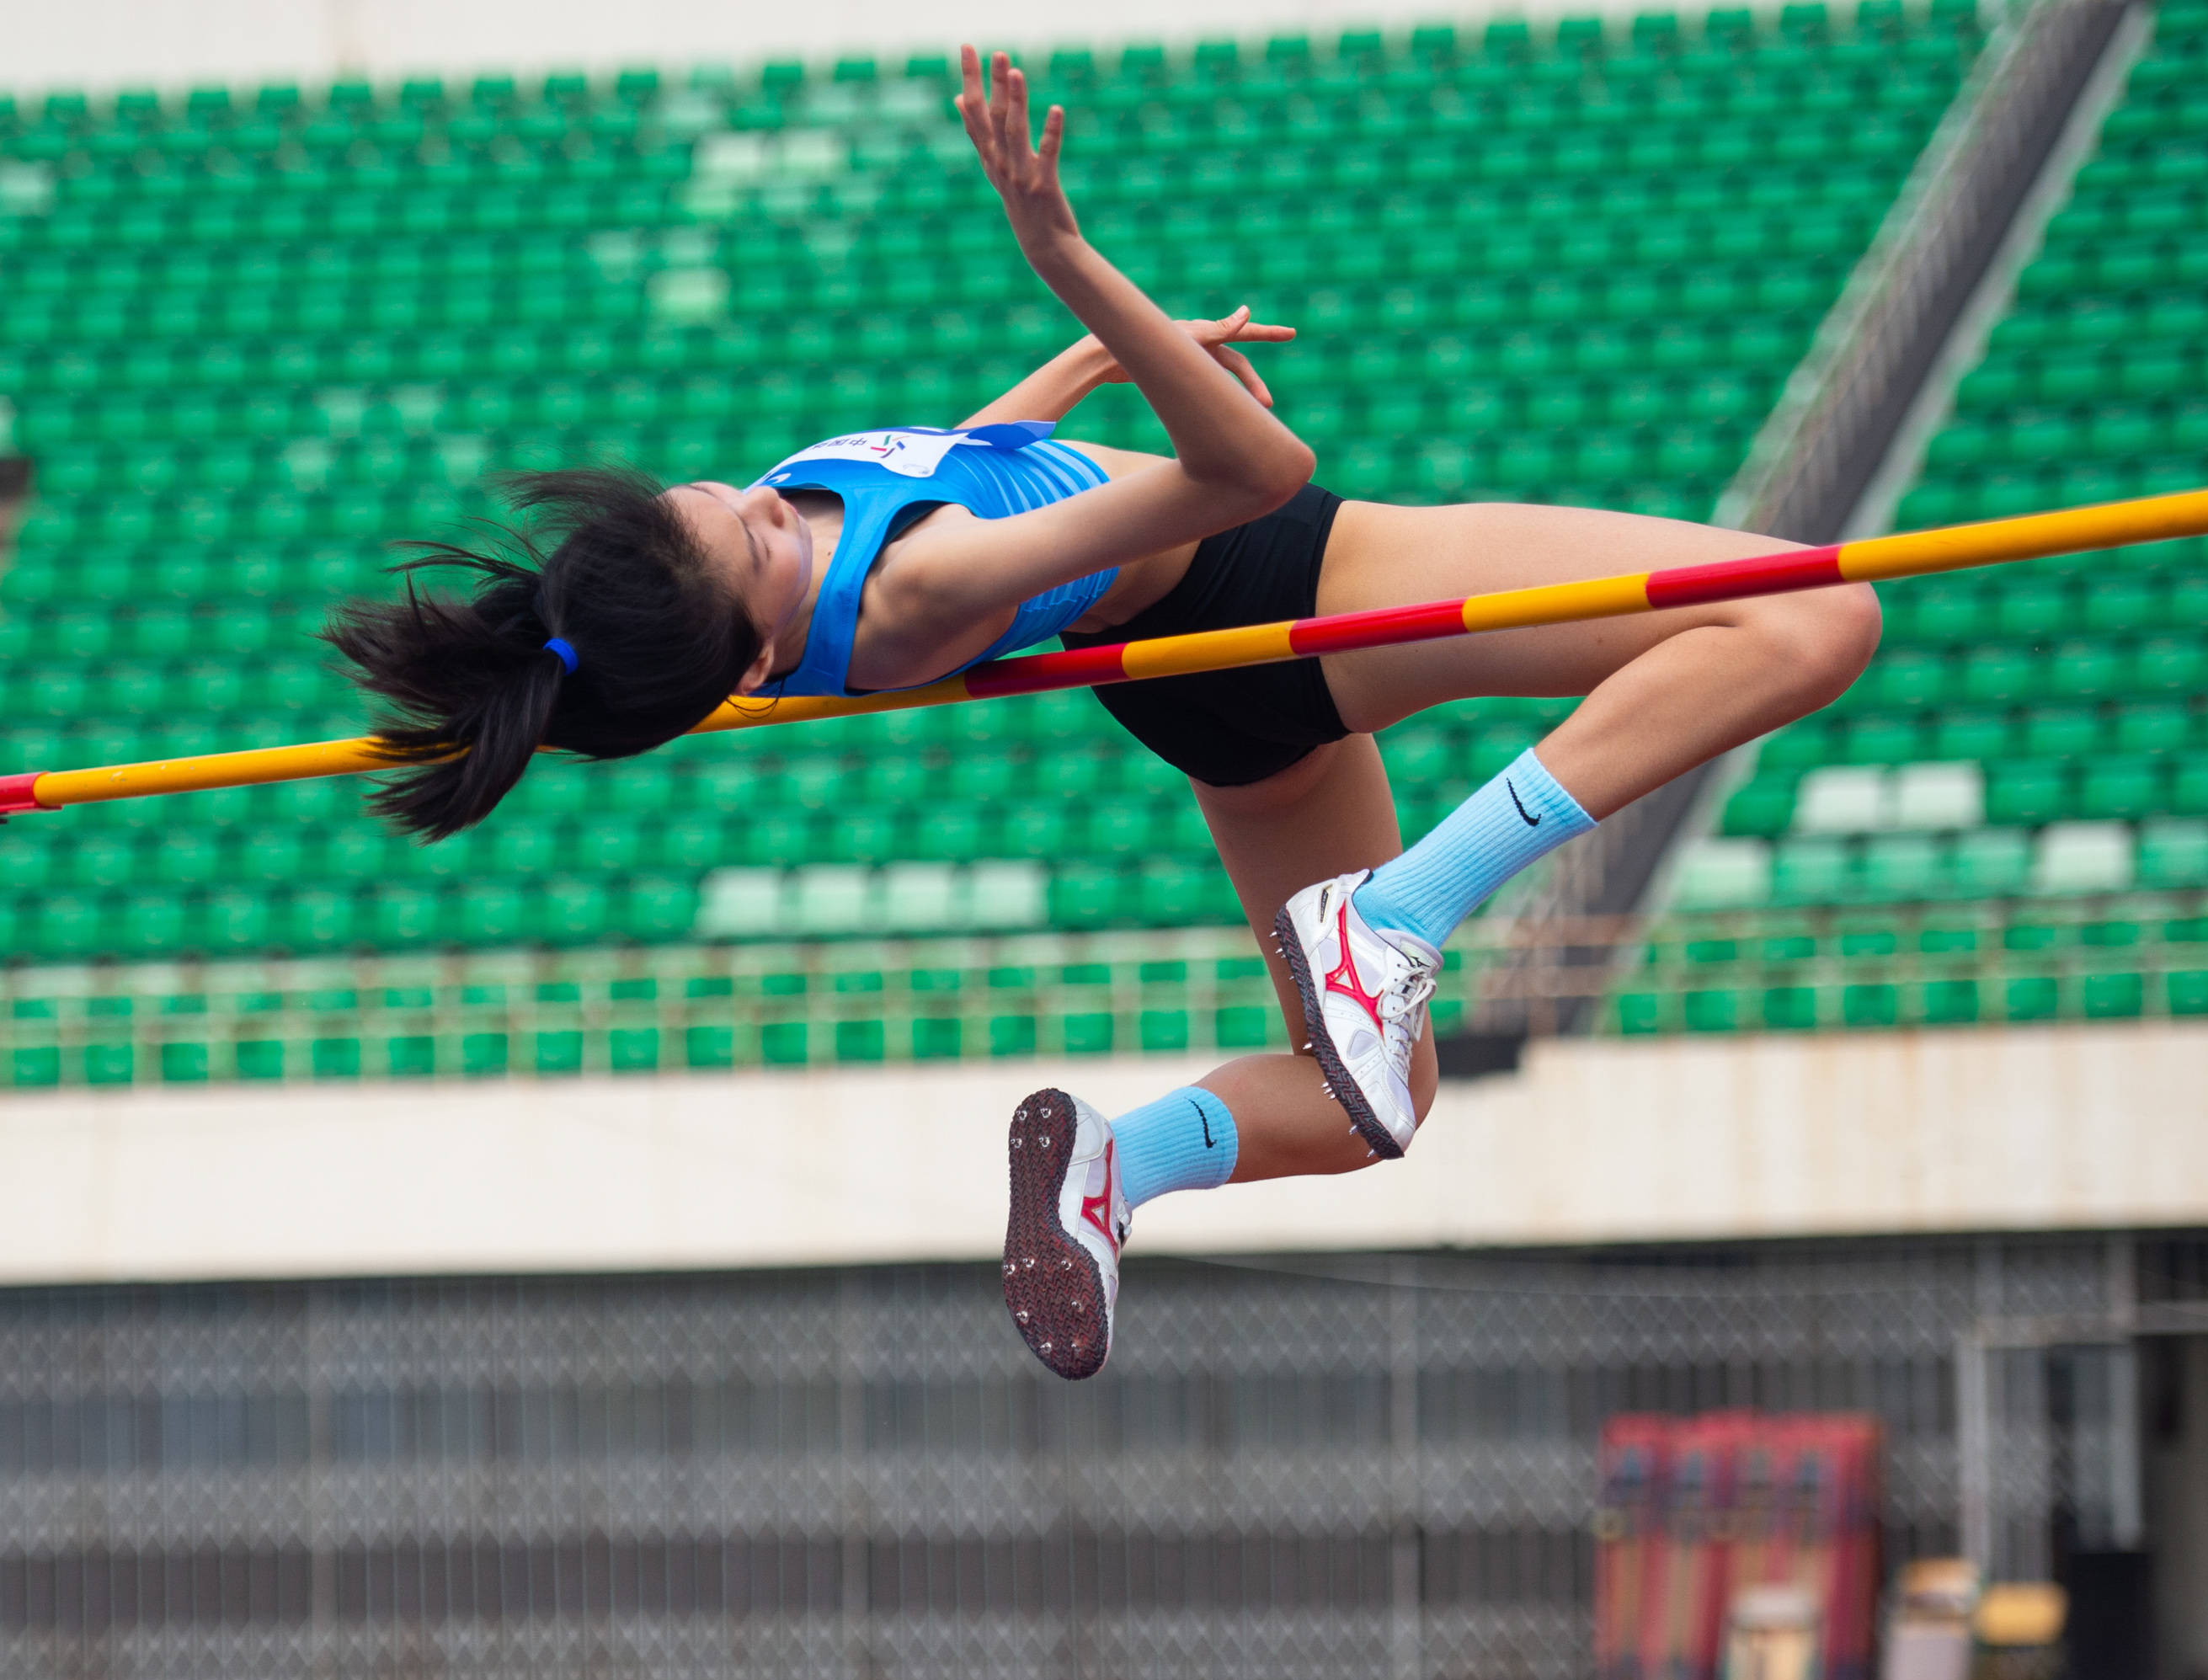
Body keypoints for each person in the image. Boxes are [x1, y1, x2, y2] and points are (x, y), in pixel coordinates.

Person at [333, 47, 1880, 1381]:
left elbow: (974, 453)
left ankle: (1110, 1168)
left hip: (1211, 698)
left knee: (1373, 1106)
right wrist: (1073, 262)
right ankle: (1402, 913)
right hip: (1293, 585)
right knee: (1816, 611)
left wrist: (1090, 365)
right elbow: (1250, 478)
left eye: (721, 500)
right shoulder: (909, 595)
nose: (750, 499)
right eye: (743, 536)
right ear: (747, 654)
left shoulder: (797, 556)